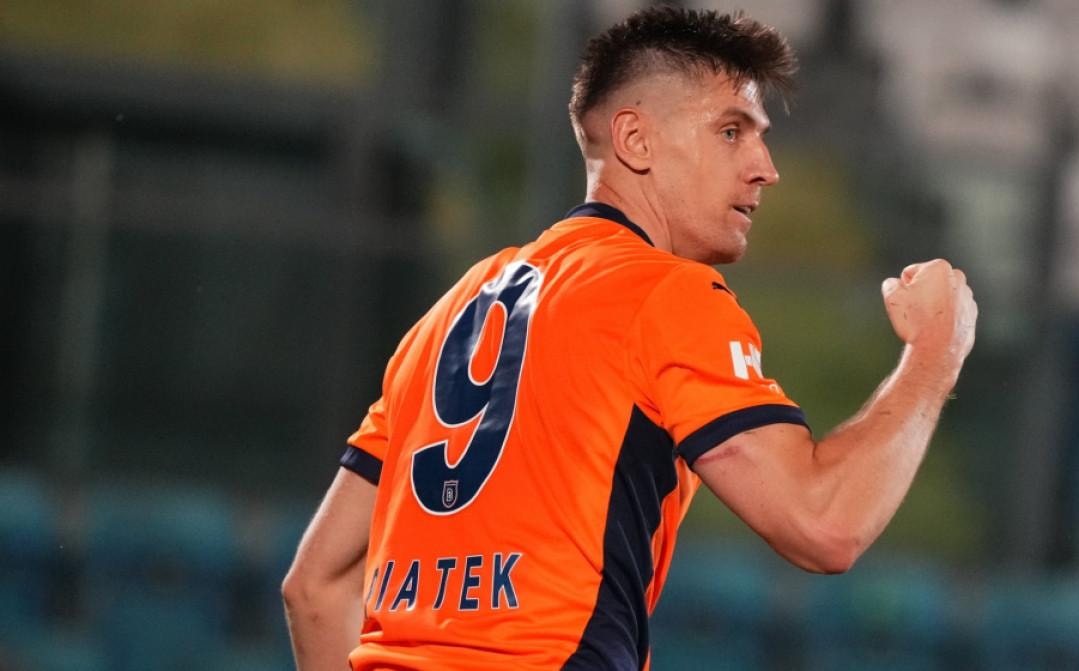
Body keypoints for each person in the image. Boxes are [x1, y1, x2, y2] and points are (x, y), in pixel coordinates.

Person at [282, 6, 977, 670]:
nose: (765, 166)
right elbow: (824, 524)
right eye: (731, 131)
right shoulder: (664, 292)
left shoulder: (449, 313)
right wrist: (933, 354)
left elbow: (315, 586)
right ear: (635, 140)